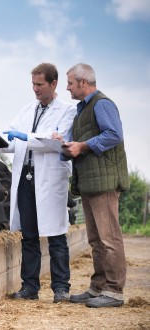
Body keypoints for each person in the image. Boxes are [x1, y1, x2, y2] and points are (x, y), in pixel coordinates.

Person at [0, 62, 77, 303]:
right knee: (29, 235)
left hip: (49, 178)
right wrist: (0, 144)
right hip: (26, 177)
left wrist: (28, 137)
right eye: (33, 84)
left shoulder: (68, 111)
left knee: (56, 235)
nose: (35, 89)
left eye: (39, 84)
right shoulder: (28, 109)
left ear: (53, 83)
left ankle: (61, 288)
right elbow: (14, 139)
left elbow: (56, 142)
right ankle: (30, 287)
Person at [62, 63, 129, 308]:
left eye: (70, 83)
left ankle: (113, 291)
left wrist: (82, 146)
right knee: (96, 240)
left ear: (82, 82)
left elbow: (114, 134)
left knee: (109, 237)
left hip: (106, 182)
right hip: (91, 181)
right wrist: (67, 145)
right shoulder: (83, 109)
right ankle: (98, 287)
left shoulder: (102, 104)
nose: (67, 87)